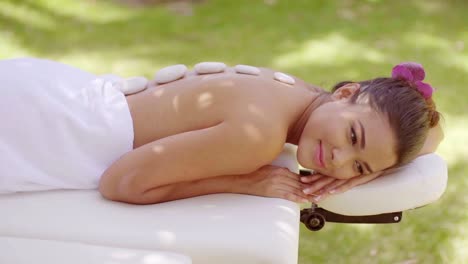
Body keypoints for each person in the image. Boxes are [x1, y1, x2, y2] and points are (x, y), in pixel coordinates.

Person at [0, 58, 443, 205]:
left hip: (50, 91)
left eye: (358, 166)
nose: (339, 162)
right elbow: (122, 183)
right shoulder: (258, 136)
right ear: (345, 92)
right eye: (352, 139)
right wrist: (245, 182)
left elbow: (433, 137)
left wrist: (371, 165)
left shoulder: (292, 92)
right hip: (38, 130)